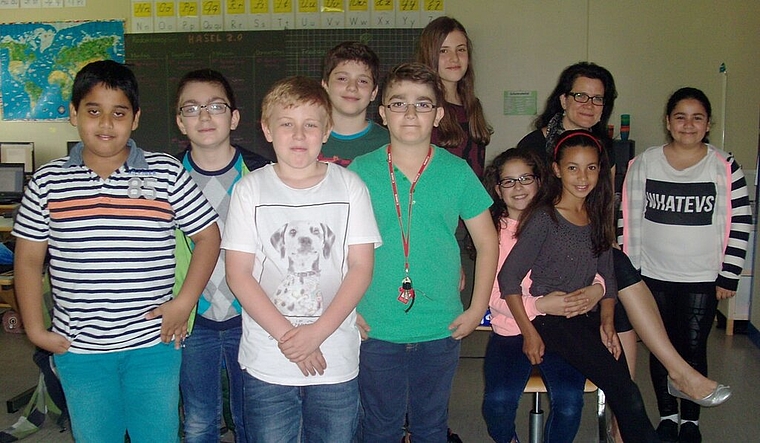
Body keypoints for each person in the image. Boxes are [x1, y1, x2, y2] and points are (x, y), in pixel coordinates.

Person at [13, 60, 221, 443]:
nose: (106, 123)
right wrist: (35, 329)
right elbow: (27, 259)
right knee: (96, 436)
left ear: (136, 118)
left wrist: (183, 303)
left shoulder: (165, 173)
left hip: (154, 345)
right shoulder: (48, 181)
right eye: (93, 111)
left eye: (119, 113)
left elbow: (209, 237)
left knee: (157, 436)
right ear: (74, 113)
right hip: (80, 350)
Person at [515, 62, 730, 429]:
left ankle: (623, 417)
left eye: (598, 99)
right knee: (620, 270)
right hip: (546, 262)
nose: (589, 105)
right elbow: (520, 217)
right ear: (563, 100)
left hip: (590, 249)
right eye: (581, 96)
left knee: (621, 286)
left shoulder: (605, 148)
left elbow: (604, 210)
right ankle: (670, 378)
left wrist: (601, 275)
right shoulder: (534, 146)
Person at [222, 76, 381, 442]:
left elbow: (361, 268)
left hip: (334, 357)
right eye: (286, 124)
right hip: (268, 359)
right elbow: (239, 274)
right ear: (266, 129)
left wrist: (316, 334)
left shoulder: (350, 187)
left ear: (326, 131)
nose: (298, 135)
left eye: (310, 125)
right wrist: (289, 337)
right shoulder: (249, 190)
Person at [349, 62, 499, 443]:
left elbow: (487, 242)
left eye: (422, 104)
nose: (411, 113)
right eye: (398, 103)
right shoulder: (359, 172)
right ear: (383, 113)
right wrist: (347, 310)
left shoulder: (457, 172)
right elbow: (337, 245)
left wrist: (476, 308)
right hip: (375, 326)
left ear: (439, 114)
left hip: (440, 326)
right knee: (379, 426)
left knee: (431, 426)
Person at [500, 129, 659, 443]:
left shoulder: (596, 214)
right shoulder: (544, 218)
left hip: (587, 317)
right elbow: (509, 279)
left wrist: (607, 321)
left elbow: (607, 274)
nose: (583, 177)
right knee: (624, 390)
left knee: (626, 389)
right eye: (573, 168)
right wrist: (529, 332)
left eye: (591, 167)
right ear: (557, 170)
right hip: (552, 321)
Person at [620, 87, 746, 443]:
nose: (688, 125)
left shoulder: (724, 165)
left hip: (702, 277)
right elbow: (627, 217)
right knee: (661, 349)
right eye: (680, 117)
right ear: (668, 121)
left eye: (697, 118)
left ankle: (691, 420)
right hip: (651, 275)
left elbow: (741, 221)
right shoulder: (644, 163)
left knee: (692, 347)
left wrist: (730, 274)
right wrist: (630, 273)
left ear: (708, 124)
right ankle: (668, 416)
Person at [482, 148, 604, 443]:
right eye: (509, 181)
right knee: (498, 402)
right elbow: (493, 296)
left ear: (540, 181)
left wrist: (597, 287)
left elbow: (592, 266)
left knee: (570, 402)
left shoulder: (562, 220)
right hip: (511, 330)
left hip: (562, 328)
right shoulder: (491, 235)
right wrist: (540, 305)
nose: (519, 187)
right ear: (498, 190)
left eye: (526, 178)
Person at [173, 68, 269, 443]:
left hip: (253, 317)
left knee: (252, 416)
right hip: (192, 319)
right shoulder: (166, 179)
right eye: (192, 108)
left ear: (234, 117)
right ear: (180, 122)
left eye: (215, 106)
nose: (204, 116)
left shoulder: (262, 173)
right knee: (199, 419)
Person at [417, 16, 492, 178]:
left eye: (461, 49)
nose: (454, 58)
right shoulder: (422, 108)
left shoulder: (473, 106)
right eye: (444, 51)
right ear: (429, 54)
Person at [319, 41, 390, 166]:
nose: (352, 87)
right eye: (342, 79)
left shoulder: (389, 144)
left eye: (363, 81)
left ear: (374, 92)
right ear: (325, 86)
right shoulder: (305, 137)